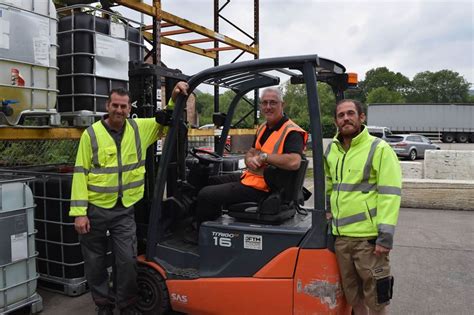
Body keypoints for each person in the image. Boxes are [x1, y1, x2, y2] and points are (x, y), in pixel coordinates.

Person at [69, 82, 188, 315]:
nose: (119, 110)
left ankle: (126, 304)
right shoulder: (91, 134)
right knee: (95, 262)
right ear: (107, 105)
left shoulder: (138, 129)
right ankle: (103, 304)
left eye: (124, 106)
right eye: (115, 105)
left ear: (129, 107)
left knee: (126, 261)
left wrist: (173, 97)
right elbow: (80, 172)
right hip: (95, 208)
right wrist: (79, 212)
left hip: (124, 209)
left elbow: (164, 120)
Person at [324, 99, 401, 315]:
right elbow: (330, 185)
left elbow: (390, 194)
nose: (346, 118)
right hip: (341, 239)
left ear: (361, 117)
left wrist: (385, 237)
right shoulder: (332, 150)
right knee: (353, 298)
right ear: (335, 121)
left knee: (376, 300)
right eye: (341, 115)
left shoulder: (379, 149)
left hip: (369, 241)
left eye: (351, 113)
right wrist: (329, 211)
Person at [194, 87, 308, 231]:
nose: (268, 107)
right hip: (252, 178)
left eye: (273, 103)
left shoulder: (291, 131)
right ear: (260, 105)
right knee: (209, 181)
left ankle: (200, 236)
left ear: (282, 105)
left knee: (206, 194)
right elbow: (252, 151)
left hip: (266, 188)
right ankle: (212, 224)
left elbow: (294, 162)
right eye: (264, 103)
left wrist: (265, 157)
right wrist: (249, 160)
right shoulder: (263, 128)